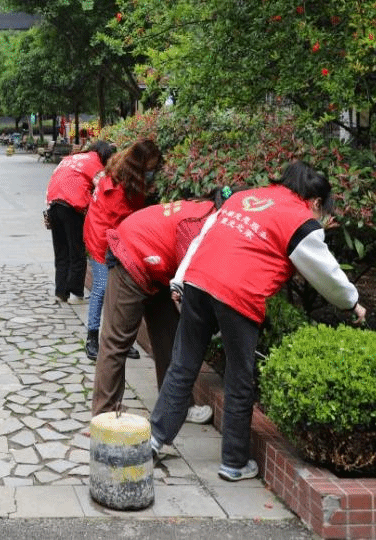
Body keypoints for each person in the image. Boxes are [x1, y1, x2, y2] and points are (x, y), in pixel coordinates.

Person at [149, 161, 367, 482]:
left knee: (182, 365)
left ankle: (155, 441)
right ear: (316, 201)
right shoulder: (300, 219)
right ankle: (234, 462)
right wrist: (352, 302)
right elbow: (326, 273)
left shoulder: (242, 197)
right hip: (238, 293)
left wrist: (181, 280)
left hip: (197, 280)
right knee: (239, 378)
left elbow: (202, 237)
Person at [91, 189, 234, 423]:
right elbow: (192, 281)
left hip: (157, 267)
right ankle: (103, 414)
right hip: (132, 253)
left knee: (169, 336)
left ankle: (178, 406)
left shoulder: (208, 213)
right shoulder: (198, 226)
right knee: (116, 340)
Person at [82, 138, 163, 361]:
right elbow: (125, 219)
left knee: (118, 292)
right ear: (141, 163)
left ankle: (121, 342)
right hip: (102, 238)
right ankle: (92, 337)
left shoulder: (121, 168)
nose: (153, 171)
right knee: (102, 288)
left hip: (105, 233)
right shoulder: (122, 187)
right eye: (151, 167)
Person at [45, 140, 116, 305]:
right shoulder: (95, 162)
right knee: (77, 250)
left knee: (61, 251)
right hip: (72, 206)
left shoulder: (70, 159)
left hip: (53, 204)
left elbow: (53, 180)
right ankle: (76, 294)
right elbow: (104, 188)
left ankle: (61, 291)